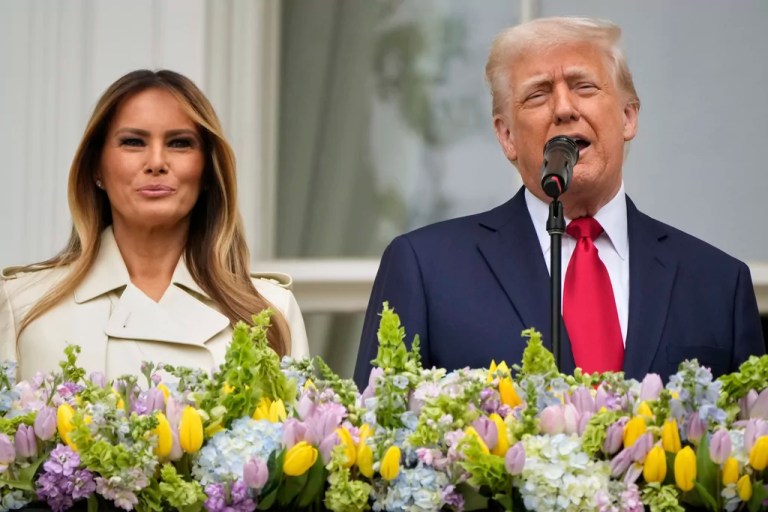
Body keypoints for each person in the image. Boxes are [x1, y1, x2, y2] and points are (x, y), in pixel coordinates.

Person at [354, 17, 764, 387]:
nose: (565, 108)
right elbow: (376, 449)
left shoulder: (718, 284)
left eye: (584, 86)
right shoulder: (426, 269)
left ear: (628, 117)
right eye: (537, 95)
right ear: (507, 136)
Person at [0, 69, 309, 381]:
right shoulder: (23, 306)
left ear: (206, 171)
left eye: (179, 143)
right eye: (133, 142)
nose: (157, 162)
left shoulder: (269, 310)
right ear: (97, 167)